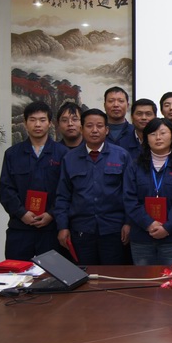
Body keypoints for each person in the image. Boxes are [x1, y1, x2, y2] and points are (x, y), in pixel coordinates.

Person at [54, 108, 131, 264]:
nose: (94, 130)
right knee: (84, 274)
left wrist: (128, 223)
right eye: (89, 126)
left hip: (113, 229)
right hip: (81, 230)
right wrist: (62, 226)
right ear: (81, 129)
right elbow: (63, 196)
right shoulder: (70, 158)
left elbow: (129, 193)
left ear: (107, 130)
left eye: (99, 126)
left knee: (113, 274)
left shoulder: (121, 155)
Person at [0, 101, 69, 260]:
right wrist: (22, 213)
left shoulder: (63, 153)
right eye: (32, 120)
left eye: (42, 120)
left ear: (50, 123)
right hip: (20, 228)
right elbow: (6, 189)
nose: (37, 124)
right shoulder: (12, 154)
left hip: (51, 229)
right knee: (17, 272)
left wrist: (51, 214)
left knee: (52, 273)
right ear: (25, 123)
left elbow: (67, 190)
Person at [123, 118, 172, 265]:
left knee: (171, 278)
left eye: (163, 133)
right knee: (144, 278)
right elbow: (129, 199)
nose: (158, 137)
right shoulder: (135, 166)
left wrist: (167, 227)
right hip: (142, 237)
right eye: (153, 134)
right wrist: (149, 223)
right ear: (146, 139)